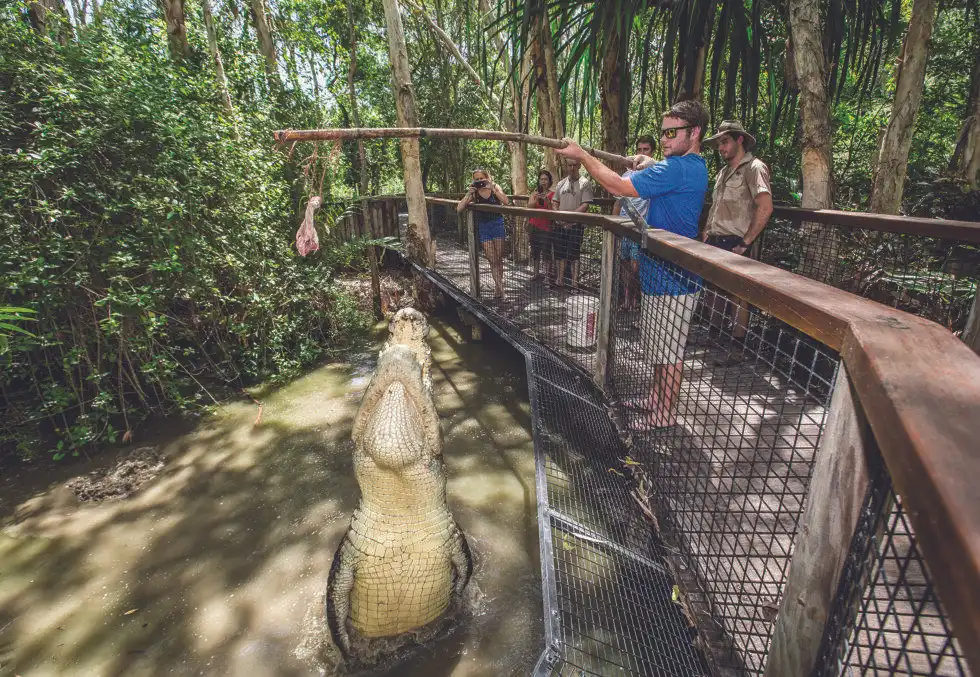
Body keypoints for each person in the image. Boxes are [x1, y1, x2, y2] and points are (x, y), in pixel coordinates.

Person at [556, 99, 709, 431]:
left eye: (673, 133)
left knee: (669, 350)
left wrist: (583, 155)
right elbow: (667, 174)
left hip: (675, 277)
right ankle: (657, 398)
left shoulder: (678, 168)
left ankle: (666, 412)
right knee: (659, 344)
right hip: (659, 271)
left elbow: (617, 186)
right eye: (663, 132)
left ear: (694, 132)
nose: (666, 138)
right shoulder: (685, 166)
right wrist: (652, 161)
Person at [701, 120, 774, 341]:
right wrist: (706, 232)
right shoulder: (723, 172)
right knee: (714, 288)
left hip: (736, 240)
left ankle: (737, 343)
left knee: (738, 294)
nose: (721, 148)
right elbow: (716, 205)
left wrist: (745, 242)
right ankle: (714, 337)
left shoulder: (754, 168)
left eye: (725, 142)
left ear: (739, 139)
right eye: (719, 143)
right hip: (716, 238)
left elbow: (765, 206)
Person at [613, 135, 656, 312]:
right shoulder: (626, 174)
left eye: (646, 150)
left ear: (652, 152)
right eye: (639, 149)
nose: (641, 153)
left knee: (636, 267)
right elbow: (617, 202)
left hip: (641, 228)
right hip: (624, 226)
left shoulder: (655, 174)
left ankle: (636, 299)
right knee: (624, 264)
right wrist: (614, 227)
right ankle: (627, 300)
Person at [457, 168, 510, 300]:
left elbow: (506, 201)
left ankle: (498, 288)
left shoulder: (495, 186)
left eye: (482, 178)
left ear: (487, 177)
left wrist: (493, 188)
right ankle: (502, 291)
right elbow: (459, 208)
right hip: (484, 227)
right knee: (492, 259)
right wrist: (468, 194)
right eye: (477, 179)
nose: (480, 181)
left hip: (497, 224)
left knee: (498, 259)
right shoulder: (474, 192)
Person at [551, 158, 594, 288]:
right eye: (570, 165)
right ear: (566, 166)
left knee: (575, 254)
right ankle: (560, 280)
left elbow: (585, 204)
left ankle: (575, 283)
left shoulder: (585, 183)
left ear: (580, 165)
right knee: (560, 253)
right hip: (560, 225)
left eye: (575, 165)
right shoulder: (560, 184)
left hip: (576, 225)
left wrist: (571, 218)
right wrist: (559, 217)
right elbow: (554, 202)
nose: (572, 167)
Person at [527, 169, 556, 284]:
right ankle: (536, 273)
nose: (543, 181)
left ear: (549, 181)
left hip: (546, 227)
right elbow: (529, 207)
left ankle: (547, 276)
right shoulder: (534, 193)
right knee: (535, 251)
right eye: (541, 179)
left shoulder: (553, 194)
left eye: (545, 179)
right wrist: (537, 199)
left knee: (546, 252)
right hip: (534, 226)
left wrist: (547, 200)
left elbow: (553, 210)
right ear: (539, 181)